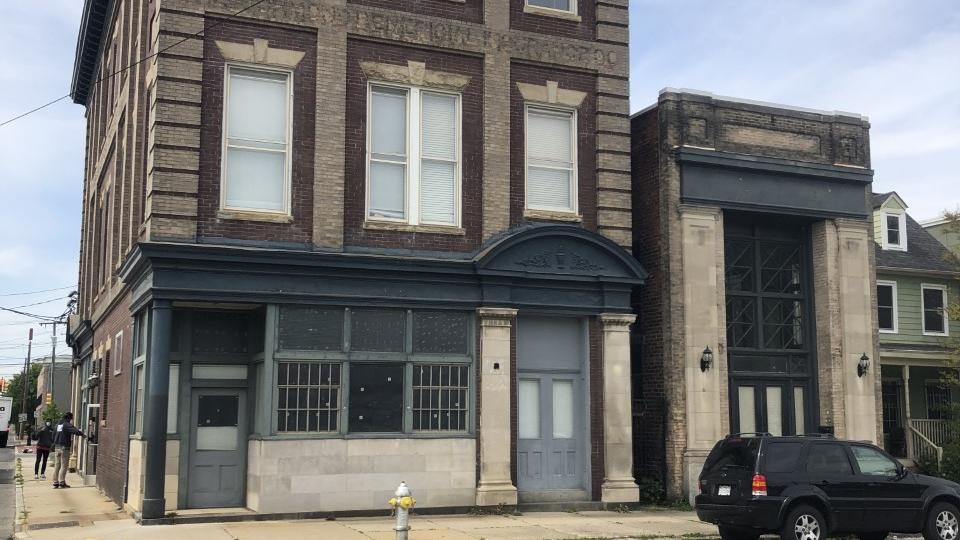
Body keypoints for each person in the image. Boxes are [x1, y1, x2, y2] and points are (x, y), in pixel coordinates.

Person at [52, 412, 84, 489]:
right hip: (64, 447)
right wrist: (82, 434)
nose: (71, 421)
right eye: (71, 419)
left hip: (57, 447)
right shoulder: (66, 424)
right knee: (64, 465)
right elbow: (75, 431)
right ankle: (62, 482)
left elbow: (53, 435)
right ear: (69, 418)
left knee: (57, 464)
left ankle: (55, 482)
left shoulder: (57, 425)